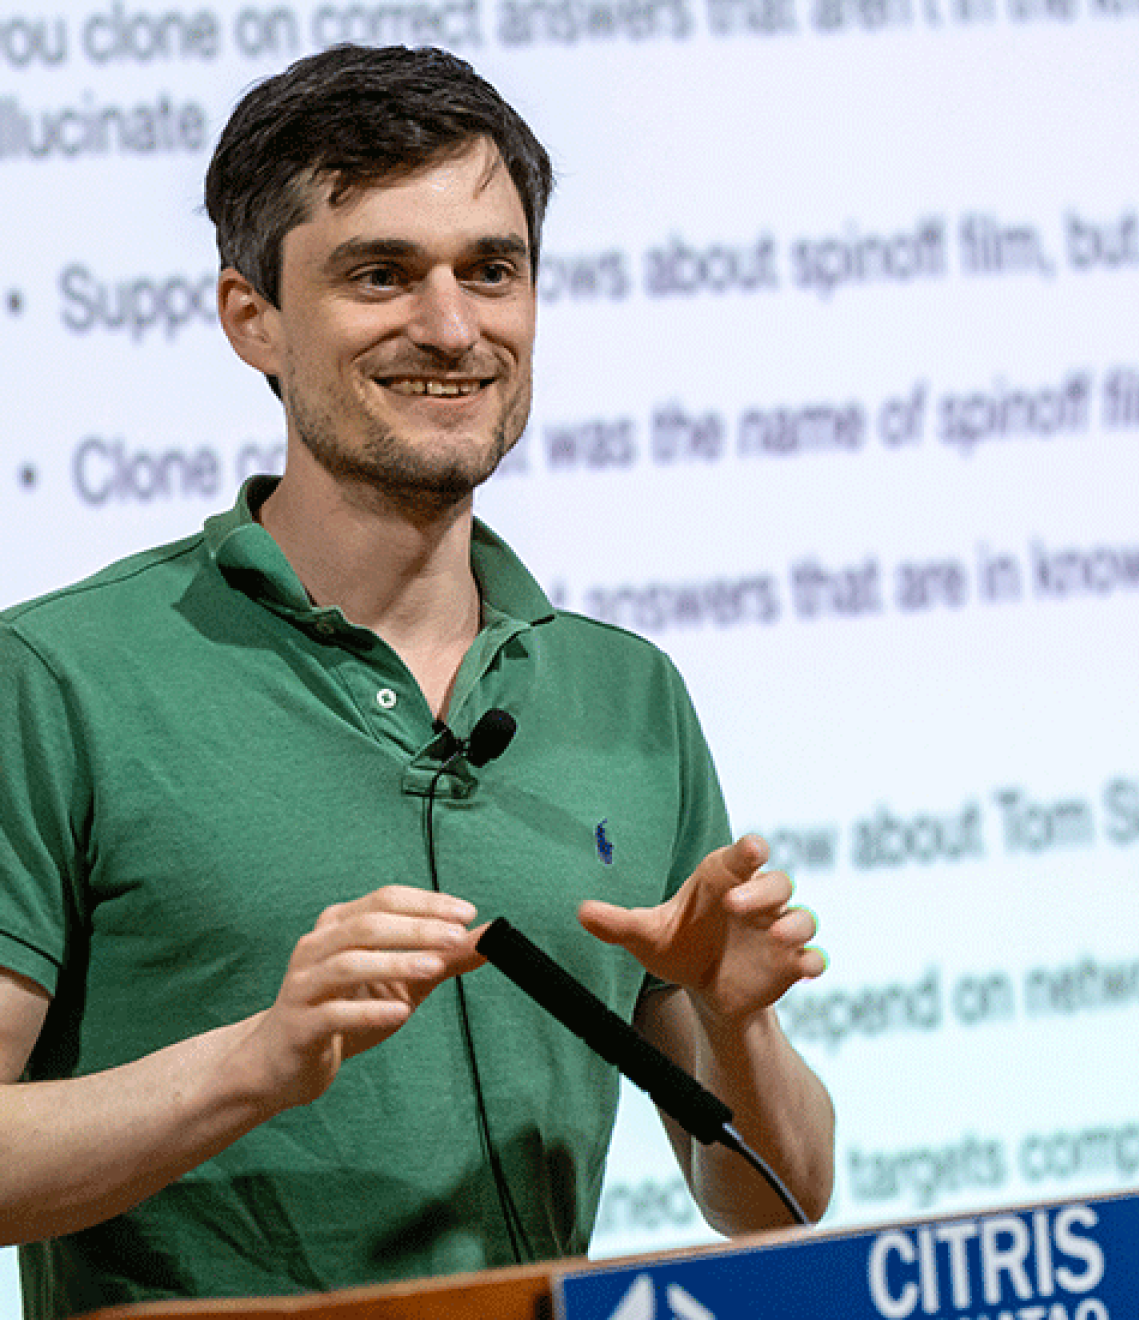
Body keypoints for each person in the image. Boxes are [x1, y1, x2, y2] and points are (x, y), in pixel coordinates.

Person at [0, 43, 834, 1319]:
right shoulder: (57, 678)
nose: (452, 327)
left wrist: (737, 1026)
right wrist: (260, 1064)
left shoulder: (628, 692)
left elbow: (779, 1202)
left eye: (491, 271)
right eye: (381, 274)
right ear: (252, 319)